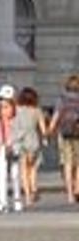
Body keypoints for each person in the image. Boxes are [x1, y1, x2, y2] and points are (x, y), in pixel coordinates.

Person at [0, 86, 22, 213]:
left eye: (7, 106)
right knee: (2, 175)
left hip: (14, 147)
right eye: (2, 106)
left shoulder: (17, 118)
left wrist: (13, 142)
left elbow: (21, 132)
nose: (4, 110)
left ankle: (17, 199)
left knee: (15, 174)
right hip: (2, 148)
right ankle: (3, 201)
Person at [17, 87, 46, 208]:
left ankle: (28, 197)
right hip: (33, 141)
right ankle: (34, 188)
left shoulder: (17, 110)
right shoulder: (37, 110)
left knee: (23, 170)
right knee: (33, 169)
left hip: (22, 141)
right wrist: (45, 138)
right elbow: (43, 129)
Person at [55, 74, 79, 204]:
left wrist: (49, 130)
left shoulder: (62, 100)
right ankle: (78, 188)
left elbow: (57, 116)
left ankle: (70, 194)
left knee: (68, 164)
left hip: (65, 134)